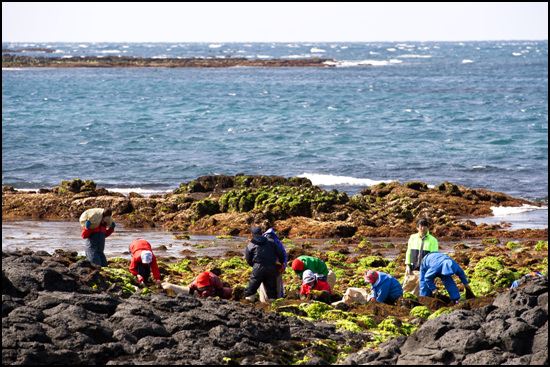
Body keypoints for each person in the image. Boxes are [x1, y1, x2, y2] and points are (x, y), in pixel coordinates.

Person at [244, 226, 286, 302]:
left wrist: (254, 265)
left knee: (251, 288)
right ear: (262, 233)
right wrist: (281, 263)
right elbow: (281, 253)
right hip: (271, 267)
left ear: (251, 234)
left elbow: (248, 258)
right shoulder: (271, 242)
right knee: (271, 290)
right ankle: (272, 307)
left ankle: (249, 303)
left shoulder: (251, 244)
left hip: (258, 267)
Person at [403, 217, 439, 296]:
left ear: (427, 227)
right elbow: (408, 252)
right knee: (407, 286)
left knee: (423, 290)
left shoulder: (433, 240)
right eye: (420, 226)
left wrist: (431, 270)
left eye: (424, 226)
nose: (422, 228)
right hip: (413, 267)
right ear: (417, 227)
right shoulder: (412, 238)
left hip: (425, 269)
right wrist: (408, 265)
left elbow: (434, 257)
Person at [259, 228, 287, 301]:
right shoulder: (277, 242)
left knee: (263, 283)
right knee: (277, 284)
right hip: (276, 266)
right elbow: (283, 254)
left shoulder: (262, 242)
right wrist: (283, 265)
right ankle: (278, 299)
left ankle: (264, 300)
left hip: (265, 266)